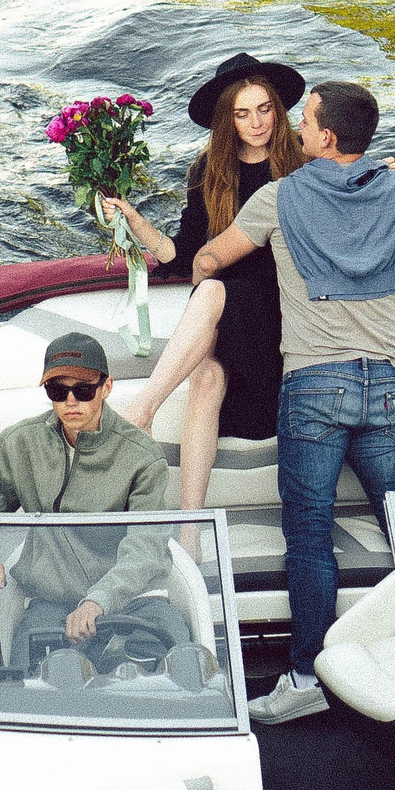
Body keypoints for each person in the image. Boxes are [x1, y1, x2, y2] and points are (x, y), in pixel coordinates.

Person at [189, 80, 395, 724]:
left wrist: (204, 277)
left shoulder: (278, 196)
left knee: (310, 537)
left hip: (315, 384)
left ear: (325, 137)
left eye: (307, 118)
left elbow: (211, 256)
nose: (296, 125)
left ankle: (304, 678)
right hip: (386, 381)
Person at [101, 52, 305, 510]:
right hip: (222, 309)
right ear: (227, 119)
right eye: (242, 113)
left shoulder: (303, 160)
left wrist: (378, 175)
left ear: (277, 109)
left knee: (210, 289)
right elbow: (184, 253)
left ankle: (141, 411)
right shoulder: (209, 169)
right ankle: (191, 526)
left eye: (264, 109)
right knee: (207, 377)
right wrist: (135, 221)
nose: (256, 122)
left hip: (279, 308)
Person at [0, 330, 180, 674]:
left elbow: (146, 548)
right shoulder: (18, 444)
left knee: (175, 675)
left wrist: (97, 601)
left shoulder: (143, 456)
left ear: (106, 387)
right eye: (57, 390)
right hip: (52, 602)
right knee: (29, 685)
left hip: (135, 600)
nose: (70, 401)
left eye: (83, 390)